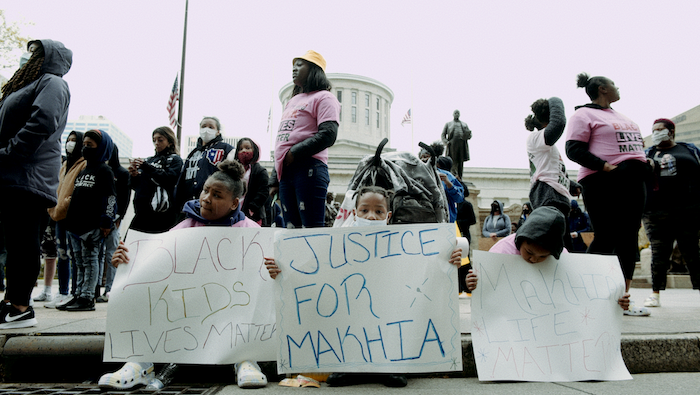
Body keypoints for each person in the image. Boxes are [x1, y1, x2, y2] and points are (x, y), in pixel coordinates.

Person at [265, 185, 467, 388]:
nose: (371, 216)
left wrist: (448, 262)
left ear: (388, 216)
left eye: (378, 211)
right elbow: (310, 273)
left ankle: (391, 366)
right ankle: (350, 366)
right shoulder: (335, 244)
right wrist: (283, 270)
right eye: (364, 210)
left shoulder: (403, 244)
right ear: (354, 213)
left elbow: (426, 269)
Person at [99, 159, 273, 390]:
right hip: (190, 307)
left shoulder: (253, 234)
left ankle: (246, 360)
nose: (206, 198)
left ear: (234, 204)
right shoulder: (186, 226)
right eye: (205, 190)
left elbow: (268, 280)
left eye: (217, 195)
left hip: (231, 312)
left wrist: (274, 269)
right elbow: (155, 262)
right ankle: (139, 363)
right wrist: (126, 262)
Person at [565, 72, 652, 316]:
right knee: (606, 237)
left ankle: (622, 299)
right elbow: (573, 148)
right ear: (602, 89)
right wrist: (605, 166)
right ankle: (584, 296)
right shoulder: (583, 114)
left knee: (628, 238)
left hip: (634, 180)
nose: (617, 87)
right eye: (613, 84)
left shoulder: (620, 116)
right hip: (604, 180)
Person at [0, 39, 72, 329]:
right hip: (12, 174)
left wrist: (9, 153)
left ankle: (20, 308)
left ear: (47, 58)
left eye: (34, 53)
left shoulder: (52, 82)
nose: (27, 57)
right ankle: (11, 303)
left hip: (27, 175)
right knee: (13, 242)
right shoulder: (24, 85)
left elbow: (42, 121)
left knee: (22, 241)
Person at [471, 206, 630, 311]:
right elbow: (485, 285)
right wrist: (472, 283)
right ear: (521, 239)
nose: (534, 260)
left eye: (543, 257)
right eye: (529, 252)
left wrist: (614, 301)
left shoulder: (563, 259)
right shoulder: (500, 252)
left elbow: (582, 289)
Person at [269, 50, 340, 228]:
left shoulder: (325, 97)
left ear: (314, 70)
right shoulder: (293, 100)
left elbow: (328, 134)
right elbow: (282, 142)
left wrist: (295, 153)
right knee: (290, 229)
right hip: (286, 171)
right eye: (293, 66)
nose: (294, 69)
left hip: (309, 168)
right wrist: (274, 178)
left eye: (300, 65)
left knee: (311, 229)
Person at [641, 118, 700, 307]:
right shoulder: (648, 153)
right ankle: (655, 293)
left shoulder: (689, 150)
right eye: (653, 129)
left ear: (671, 131)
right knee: (659, 253)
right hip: (656, 213)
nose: (656, 132)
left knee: (692, 253)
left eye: (660, 129)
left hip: (687, 211)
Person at [61, 130, 117, 312]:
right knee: (78, 261)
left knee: (90, 260)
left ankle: (87, 297)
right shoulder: (84, 169)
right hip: (75, 225)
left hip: (91, 226)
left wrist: (106, 222)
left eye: (90, 145)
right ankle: (78, 294)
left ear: (101, 148)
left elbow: (110, 198)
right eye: (84, 144)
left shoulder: (105, 171)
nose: (85, 148)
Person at [46, 131, 86, 308]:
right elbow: (57, 186)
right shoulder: (64, 164)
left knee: (74, 255)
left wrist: (63, 205)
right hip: (57, 215)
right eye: (68, 140)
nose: (70, 144)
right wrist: (53, 207)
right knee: (62, 254)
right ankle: (62, 291)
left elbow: (77, 191)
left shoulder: (84, 164)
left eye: (74, 141)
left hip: (72, 216)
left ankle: (74, 292)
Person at [175, 117, 233, 216]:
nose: (206, 129)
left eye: (211, 127)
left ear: (218, 131)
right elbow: (182, 178)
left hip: (212, 205)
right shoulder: (193, 153)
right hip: (189, 205)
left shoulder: (226, 149)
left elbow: (232, 175)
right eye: (203, 126)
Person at [129, 127, 183, 233]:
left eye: (160, 140)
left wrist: (146, 167)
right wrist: (134, 176)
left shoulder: (175, 160)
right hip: (142, 213)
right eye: (154, 140)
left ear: (170, 142)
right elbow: (137, 187)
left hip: (163, 214)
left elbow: (169, 179)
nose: (156, 143)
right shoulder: (149, 160)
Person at [96, 145, 131, 303]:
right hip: (98, 220)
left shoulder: (122, 173)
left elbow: (124, 198)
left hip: (114, 220)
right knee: (97, 256)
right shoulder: (99, 170)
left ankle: (110, 289)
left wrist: (118, 218)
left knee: (112, 254)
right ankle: (95, 289)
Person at [227, 137, 269, 225]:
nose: (243, 151)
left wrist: (252, 208)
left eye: (247, 148)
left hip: (253, 216)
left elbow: (264, 192)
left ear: (255, 151)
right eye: (240, 149)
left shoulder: (260, 171)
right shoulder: (232, 170)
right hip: (233, 214)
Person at [441, 110, 472, 179]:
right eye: (455, 113)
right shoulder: (448, 124)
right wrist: (446, 142)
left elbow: (469, 135)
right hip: (452, 144)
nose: (456, 114)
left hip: (462, 144)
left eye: (458, 113)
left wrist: (468, 135)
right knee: (452, 160)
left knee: (460, 161)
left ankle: (460, 177)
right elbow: (443, 134)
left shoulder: (464, 124)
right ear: (453, 114)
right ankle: (452, 176)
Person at [436, 156, 465, 222]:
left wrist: (448, 183)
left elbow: (459, 197)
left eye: (426, 156)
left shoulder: (448, 176)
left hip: (444, 220)